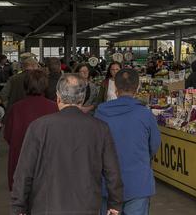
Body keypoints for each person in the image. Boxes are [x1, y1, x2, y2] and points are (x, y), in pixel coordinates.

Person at [11, 74, 123, 215]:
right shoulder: (100, 128)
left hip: (46, 207)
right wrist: (115, 203)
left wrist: (18, 207)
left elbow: (24, 172)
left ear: (58, 97)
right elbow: (112, 172)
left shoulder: (38, 127)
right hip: (86, 206)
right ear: (82, 99)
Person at [95, 69, 161, 215]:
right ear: (137, 88)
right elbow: (154, 146)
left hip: (108, 184)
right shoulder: (145, 114)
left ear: (115, 88)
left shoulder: (100, 112)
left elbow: (94, 146)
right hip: (138, 182)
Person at [3, 69, 59, 191]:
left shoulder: (16, 108)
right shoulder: (54, 108)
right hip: (47, 164)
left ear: (26, 85)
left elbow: (8, 136)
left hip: (21, 161)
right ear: (45, 85)